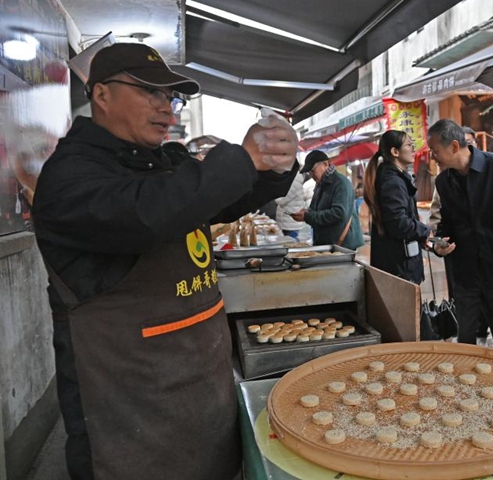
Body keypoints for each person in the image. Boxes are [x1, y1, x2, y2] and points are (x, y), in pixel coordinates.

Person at [31, 43, 299, 480]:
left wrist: (271, 167)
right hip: (129, 411)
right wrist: (239, 158)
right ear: (101, 95)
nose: (168, 110)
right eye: (150, 92)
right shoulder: (70, 175)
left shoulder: (160, 161)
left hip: (200, 383)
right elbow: (147, 214)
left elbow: (215, 199)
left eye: (171, 98)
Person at [428, 120, 493, 353]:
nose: (433, 157)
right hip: (465, 275)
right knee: (465, 341)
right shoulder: (444, 181)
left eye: (435, 151)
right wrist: (440, 244)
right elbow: (447, 223)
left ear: (454, 146)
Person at [363, 130, 430, 283]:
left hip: (397, 262)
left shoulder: (392, 177)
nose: (413, 149)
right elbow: (398, 223)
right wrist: (425, 231)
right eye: (408, 145)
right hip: (399, 264)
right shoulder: (393, 181)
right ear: (395, 151)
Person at [291, 150, 364, 250]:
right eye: (309, 172)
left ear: (325, 164)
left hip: (342, 246)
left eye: (313, 171)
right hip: (327, 244)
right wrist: (306, 213)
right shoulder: (321, 184)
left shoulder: (341, 184)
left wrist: (307, 216)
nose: (311, 175)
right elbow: (316, 209)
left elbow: (338, 213)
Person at [274, 171, 306, 239]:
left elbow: (281, 200)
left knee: (291, 245)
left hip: (291, 223)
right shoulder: (292, 180)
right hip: (288, 221)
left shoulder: (294, 182)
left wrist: (273, 194)